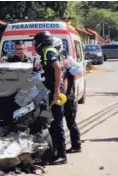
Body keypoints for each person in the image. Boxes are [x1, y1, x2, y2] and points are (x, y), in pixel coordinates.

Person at [33, 31, 67, 165]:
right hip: (52, 89)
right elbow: (44, 70)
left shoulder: (49, 51)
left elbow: (58, 69)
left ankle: (62, 155)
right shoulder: (47, 52)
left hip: (55, 91)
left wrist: (57, 91)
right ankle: (54, 153)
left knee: (57, 123)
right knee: (52, 122)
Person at [53, 38, 82, 153]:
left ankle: (76, 145)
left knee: (71, 122)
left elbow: (79, 71)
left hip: (68, 97)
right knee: (56, 123)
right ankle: (58, 148)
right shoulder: (52, 60)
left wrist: (69, 66)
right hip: (58, 96)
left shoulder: (67, 59)